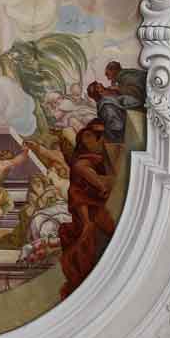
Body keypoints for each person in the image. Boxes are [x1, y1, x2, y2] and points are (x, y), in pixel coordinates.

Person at [59, 121, 115, 298]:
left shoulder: (93, 147)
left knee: (78, 171)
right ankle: (86, 222)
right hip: (88, 193)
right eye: (84, 138)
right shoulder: (82, 154)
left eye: (89, 137)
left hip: (94, 186)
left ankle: (87, 221)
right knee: (76, 186)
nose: (86, 140)